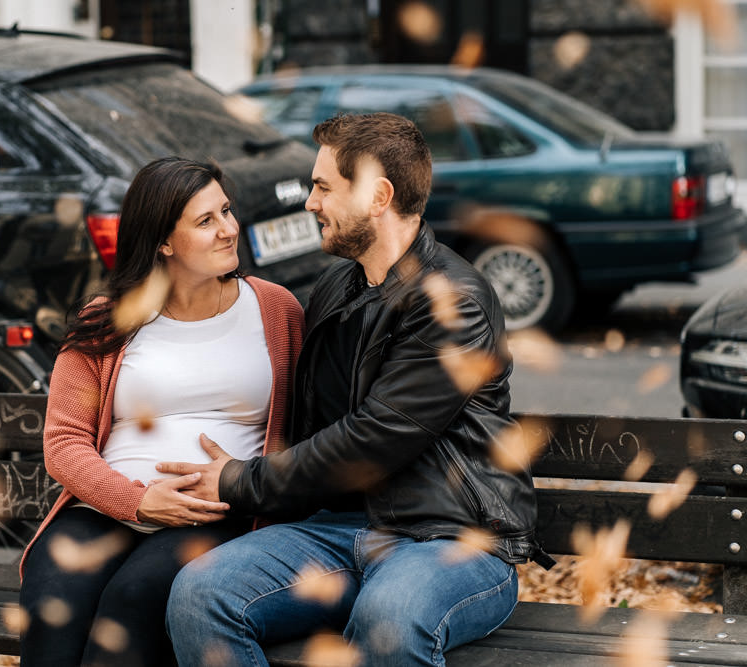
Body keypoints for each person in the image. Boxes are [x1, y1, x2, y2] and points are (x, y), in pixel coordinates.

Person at [160, 113, 551, 666]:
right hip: (336, 530)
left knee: (388, 619)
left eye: (322, 187)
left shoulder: (453, 301)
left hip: (449, 538)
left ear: (377, 195)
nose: (310, 203)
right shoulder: (336, 286)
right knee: (200, 594)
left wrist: (240, 481)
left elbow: (373, 438)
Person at [18, 156, 305, 667]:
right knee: (52, 605)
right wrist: (137, 501)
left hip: (214, 517)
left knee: (133, 602)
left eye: (226, 211)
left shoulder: (276, 309)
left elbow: (307, 432)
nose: (228, 230)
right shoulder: (107, 318)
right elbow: (63, 443)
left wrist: (246, 483)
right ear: (163, 242)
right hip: (107, 508)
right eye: (206, 221)